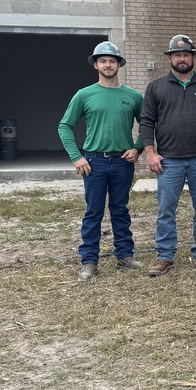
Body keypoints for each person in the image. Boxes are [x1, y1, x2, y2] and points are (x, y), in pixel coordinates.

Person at [57, 41, 144, 283]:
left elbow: (148, 126)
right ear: (96, 65)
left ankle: (124, 256)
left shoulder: (133, 96)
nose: (108, 65)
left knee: (120, 210)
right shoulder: (84, 95)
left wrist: (137, 148)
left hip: (122, 162)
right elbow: (65, 126)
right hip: (93, 162)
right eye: (103, 61)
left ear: (119, 65)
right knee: (93, 212)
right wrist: (76, 157)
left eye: (112, 61)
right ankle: (89, 262)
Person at [140, 35, 196, 277]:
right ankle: (165, 255)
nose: (182, 59)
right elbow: (147, 122)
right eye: (177, 55)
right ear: (170, 58)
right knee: (166, 209)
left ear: (193, 58)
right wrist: (150, 153)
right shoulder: (156, 87)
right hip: (168, 161)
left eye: (186, 54)